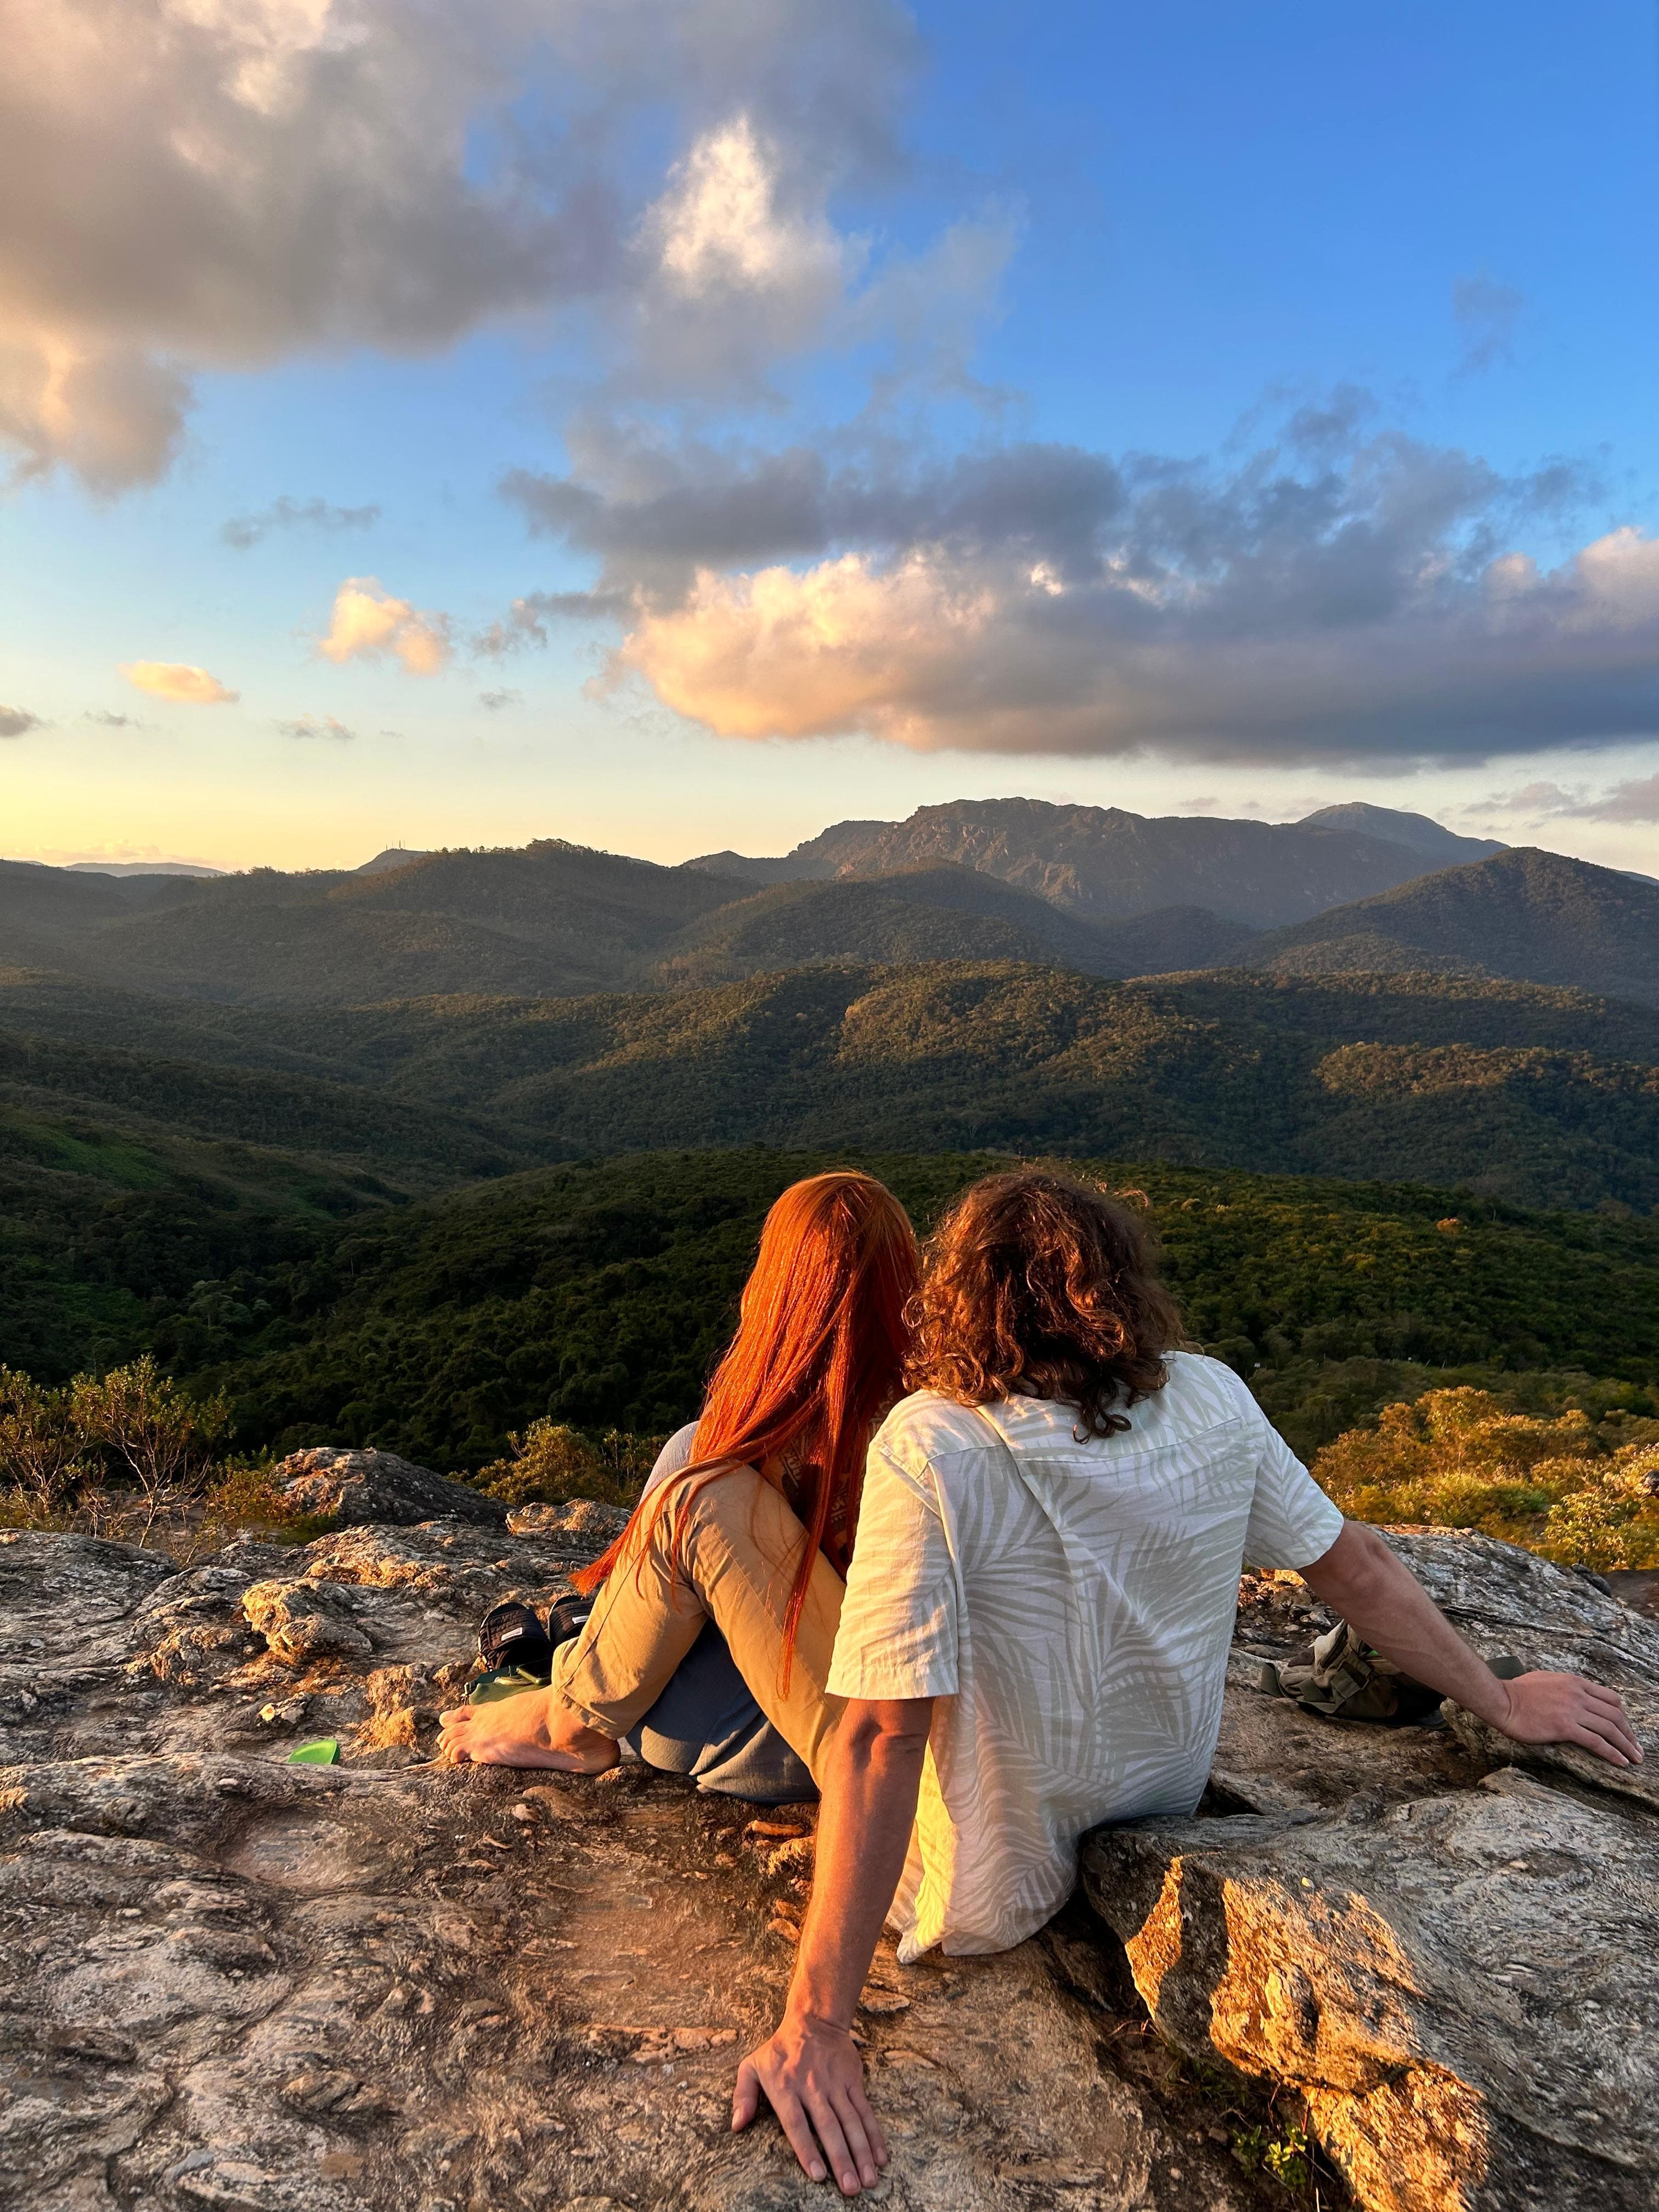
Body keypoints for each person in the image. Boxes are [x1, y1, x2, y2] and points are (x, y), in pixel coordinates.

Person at [443, 1166, 1644, 2199]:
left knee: (698, 1486)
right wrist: (1501, 1698)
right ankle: (582, 1694)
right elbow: (1359, 1568)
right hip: (1151, 1797)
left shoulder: (937, 1442)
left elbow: (874, 1742)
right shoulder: (1215, 1398)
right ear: (1124, 1290)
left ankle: (572, 1713)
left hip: (977, 1871)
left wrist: (817, 2023)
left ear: (954, 1296)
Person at [436, 1166, 920, 1792]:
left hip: (800, 1742)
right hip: (854, 1707)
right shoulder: (926, 1418)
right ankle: (588, 1657)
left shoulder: (870, 1443)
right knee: (698, 1446)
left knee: (698, 1477)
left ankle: (572, 1713)